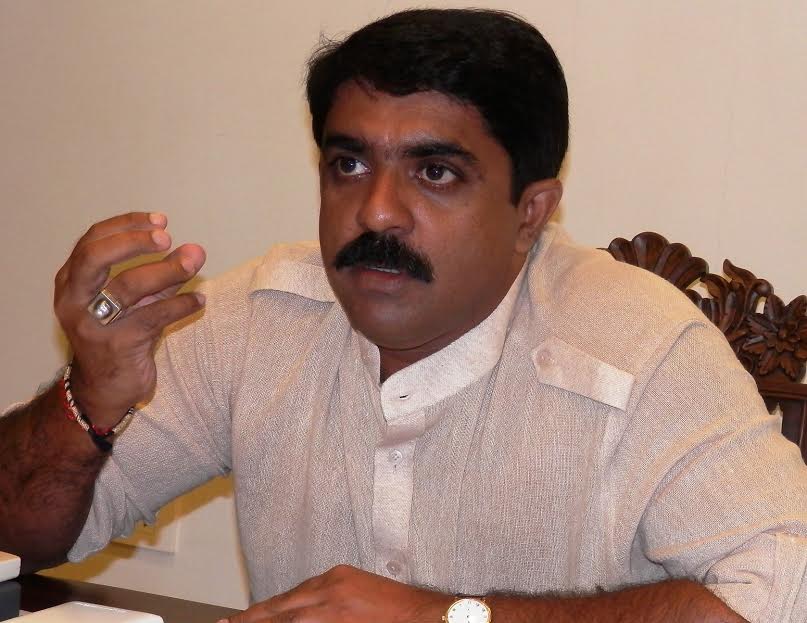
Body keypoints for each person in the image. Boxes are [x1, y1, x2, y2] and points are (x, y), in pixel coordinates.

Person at [0, 8, 805, 623]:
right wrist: (87, 399)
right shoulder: (259, 316)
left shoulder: (642, 348)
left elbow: (783, 591)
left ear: (530, 212)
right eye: (348, 164)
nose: (375, 211)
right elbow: (17, 538)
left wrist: (448, 617)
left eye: (434, 172)